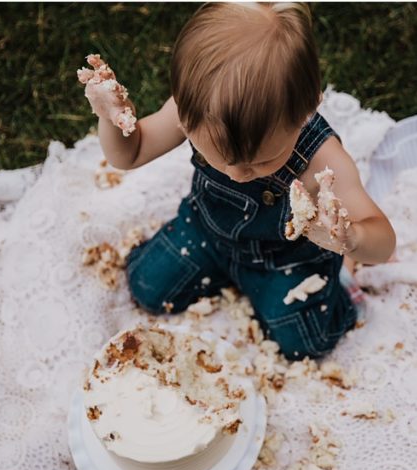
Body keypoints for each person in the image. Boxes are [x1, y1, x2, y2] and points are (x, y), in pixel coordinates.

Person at [78, 2, 395, 360]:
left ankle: (344, 284)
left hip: (285, 262)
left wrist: (350, 239)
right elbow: (130, 154)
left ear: (306, 109)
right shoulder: (194, 109)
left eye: (261, 161)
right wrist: (111, 120)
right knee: (146, 285)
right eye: (220, 158)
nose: (237, 174)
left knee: (305, 344)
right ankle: (225, 273)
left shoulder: (322, 158)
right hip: (206, 233)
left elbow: (384, 242)